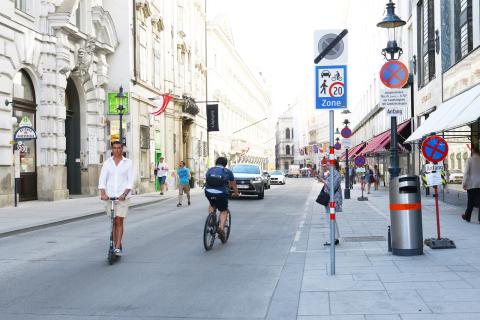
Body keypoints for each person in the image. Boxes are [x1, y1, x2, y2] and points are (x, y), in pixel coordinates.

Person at [98, 141, 134, 256]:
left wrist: (124, 193)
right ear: (111, 150)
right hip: (110, 196)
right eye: (115, 148)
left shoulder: (128, 163)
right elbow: (102, 179)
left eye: (119, 148)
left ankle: (117, 247)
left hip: (122, 197)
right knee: (113, 221)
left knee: (119, 220)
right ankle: (116, 242)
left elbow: (130, 181)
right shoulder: (107, 163)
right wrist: (103, 193)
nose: (117, 150)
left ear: (122, 149)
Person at [204, 157, 239, 240]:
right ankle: (221, 228)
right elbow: (233, 185)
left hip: (208, 191)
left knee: (212, 204)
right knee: (223, 210)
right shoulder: (228, 171)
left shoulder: (210, 170)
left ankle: (211, 220)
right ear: (225, 164)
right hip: (221, 193)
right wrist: (236, 193)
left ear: (216, 163)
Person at [318, 159, 342, 245]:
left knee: (330, 219)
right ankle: (335, 238)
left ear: (334, 165)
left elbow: (332, 186)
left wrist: (323, 181)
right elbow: (321, 178)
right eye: (327, 165)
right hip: (330, 199)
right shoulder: (331, 173)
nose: (327, 166)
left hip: (333, 199)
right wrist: (322, 169)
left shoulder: (336, 174)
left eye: (328, 165)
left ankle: (333, 239)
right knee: (332, 219)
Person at [462, 146, 480, 222]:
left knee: (470, 202)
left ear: (472, 151)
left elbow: (466, 173)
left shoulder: (469, 160)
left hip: (472, 185)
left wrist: (464, 183)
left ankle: (467, 217)